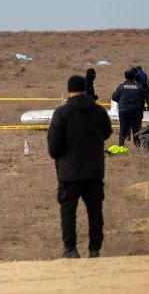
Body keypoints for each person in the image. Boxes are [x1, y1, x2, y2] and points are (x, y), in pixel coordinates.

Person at [47, 75, 112, 259]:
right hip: (94, 171)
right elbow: (107, 132)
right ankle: (94, 249)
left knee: (68, 213)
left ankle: (70, 249)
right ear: (85, 89)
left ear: (69, 90)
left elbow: (54, 147)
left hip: (69, 173)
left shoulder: (62, 113)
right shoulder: (98, 111)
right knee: (95, 212)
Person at [111, 69, 146, 146]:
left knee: (122, 130)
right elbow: (144, 96)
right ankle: (137, 146)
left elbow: (114, 97)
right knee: (136, 130)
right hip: (135, 110)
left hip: (123, 110)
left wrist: (122, 102)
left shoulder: (121, 87)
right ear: (134, 76)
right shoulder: (139, 87)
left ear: (125, 77)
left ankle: (121, 147)